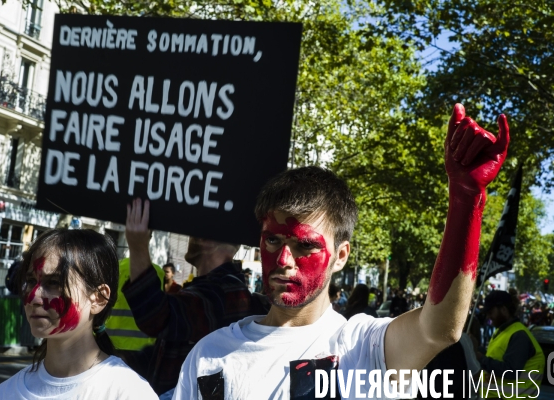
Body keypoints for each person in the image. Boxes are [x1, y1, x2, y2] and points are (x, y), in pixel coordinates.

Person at [173, 104, 510, 398]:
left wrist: (466, 198)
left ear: (341, 255)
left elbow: (438, 330)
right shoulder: (210, 355)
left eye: (305, 245)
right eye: (273, 240)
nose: (284, 260)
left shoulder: (362, 349)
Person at [0, 229, 158, 399]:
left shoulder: (129, 392)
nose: (34, 297)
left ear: (98, 298)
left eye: (54, 283)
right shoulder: (3, 394)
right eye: (31, 281)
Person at [122, 199, 269, 395]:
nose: (191, 237)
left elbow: (155, 316)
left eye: (196, 232)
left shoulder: (222, 293)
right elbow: (171, 346)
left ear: (206, 241)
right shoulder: (221, 290)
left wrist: (138, 245)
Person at [477, 290, 545, 398]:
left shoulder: (519, 335)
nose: (488, 317)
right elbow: (496, 358)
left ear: (503, 310)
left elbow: (510, 371)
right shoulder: (502, 331)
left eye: (490, 312)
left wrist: (482, 359)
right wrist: (478, 350)